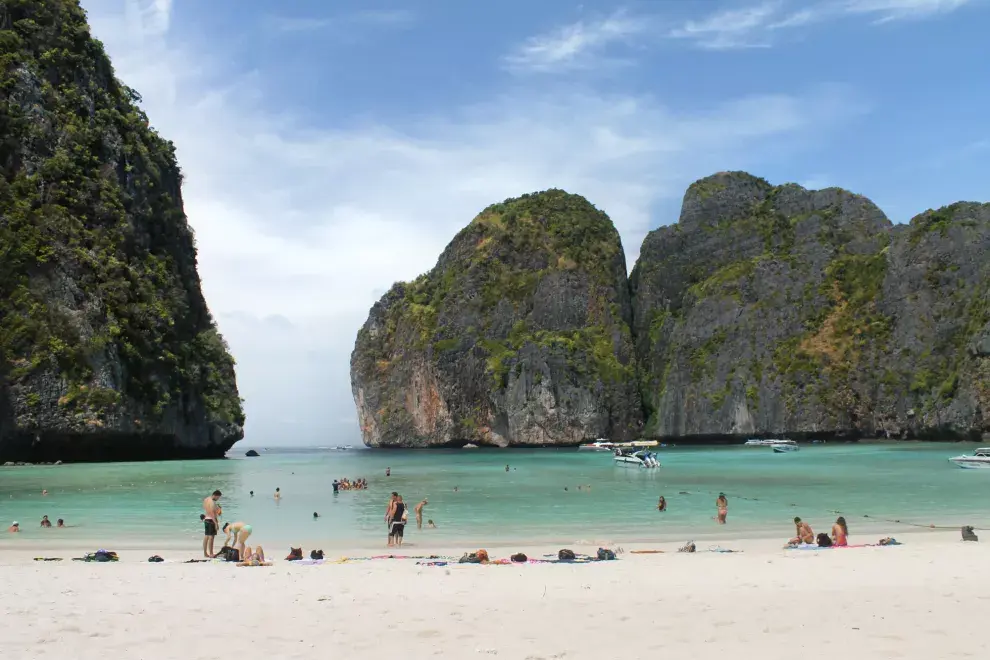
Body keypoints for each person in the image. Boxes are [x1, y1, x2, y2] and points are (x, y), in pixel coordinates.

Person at [202, 489, 222, 558]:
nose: (218, 499)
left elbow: (206, 509)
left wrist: (217, 509)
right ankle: (211, 553)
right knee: (211, 537)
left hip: (206, 519)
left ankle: (205, 553)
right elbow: (212, 513)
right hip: (211, 520)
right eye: (218, 497)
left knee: (206, 536)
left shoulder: (206, 499)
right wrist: (216, 523)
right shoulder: (212, 502)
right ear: (215, 495)